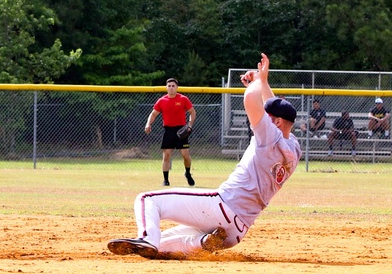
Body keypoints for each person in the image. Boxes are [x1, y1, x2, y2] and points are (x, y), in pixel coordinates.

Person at [108, 53, 302, 259]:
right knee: (161, 246)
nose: (262, 117)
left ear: (277, 122)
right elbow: (272, 105)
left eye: (267, 116)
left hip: (223, 207)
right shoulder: (294, 148)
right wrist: (263, 81)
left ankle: (147, 237)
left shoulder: (268, 135)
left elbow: (250, 99)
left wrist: (254, 82)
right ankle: (201, 242)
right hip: (238, 231)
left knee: (147, 200)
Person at [145, 78, 197, 186]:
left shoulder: (183, 99)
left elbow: (192, 112)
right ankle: (166, 180)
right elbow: (154, 114)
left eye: (173, 86)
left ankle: (187, 173)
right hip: (168, 130)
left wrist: (190, 124)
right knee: (167, 155)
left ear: (177, 87)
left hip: (181, 129)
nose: (171, 88)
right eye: (169, 86)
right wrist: (148, 124)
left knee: (185, 155)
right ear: (166, 87)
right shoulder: (162, 100)